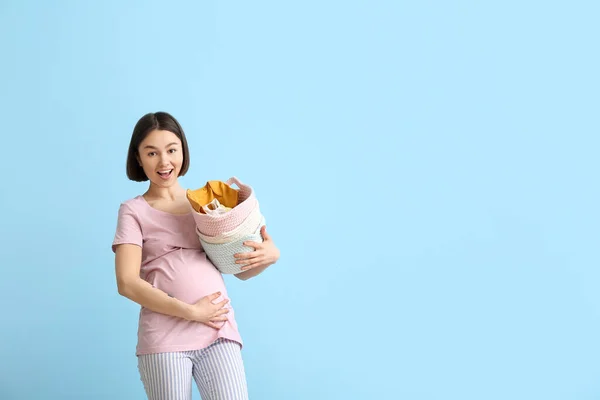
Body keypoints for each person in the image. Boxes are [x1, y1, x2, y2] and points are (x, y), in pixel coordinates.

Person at [112, 111, 280, 400]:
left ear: (182, 151)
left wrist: (269, 257)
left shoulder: (205, 204)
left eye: (171, 150)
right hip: (164, 338)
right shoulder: (133, 211)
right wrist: (191, 311)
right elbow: (127, 282)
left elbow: (238, 269)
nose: (164, 162)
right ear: (139, 158)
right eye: (151, 153)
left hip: (217, 329)